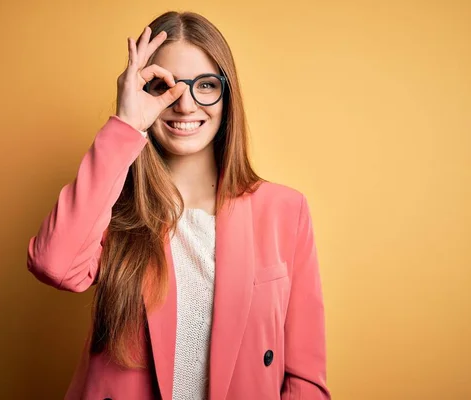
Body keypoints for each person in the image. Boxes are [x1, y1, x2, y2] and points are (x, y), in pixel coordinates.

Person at [27, 10, 330, 400]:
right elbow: (54, 265)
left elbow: (305, 379)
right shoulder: (112, 206)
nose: (185, 105)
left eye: (205, 85)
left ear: (227, 94)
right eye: (163, 86)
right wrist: (126, 124)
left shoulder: (285, 211)